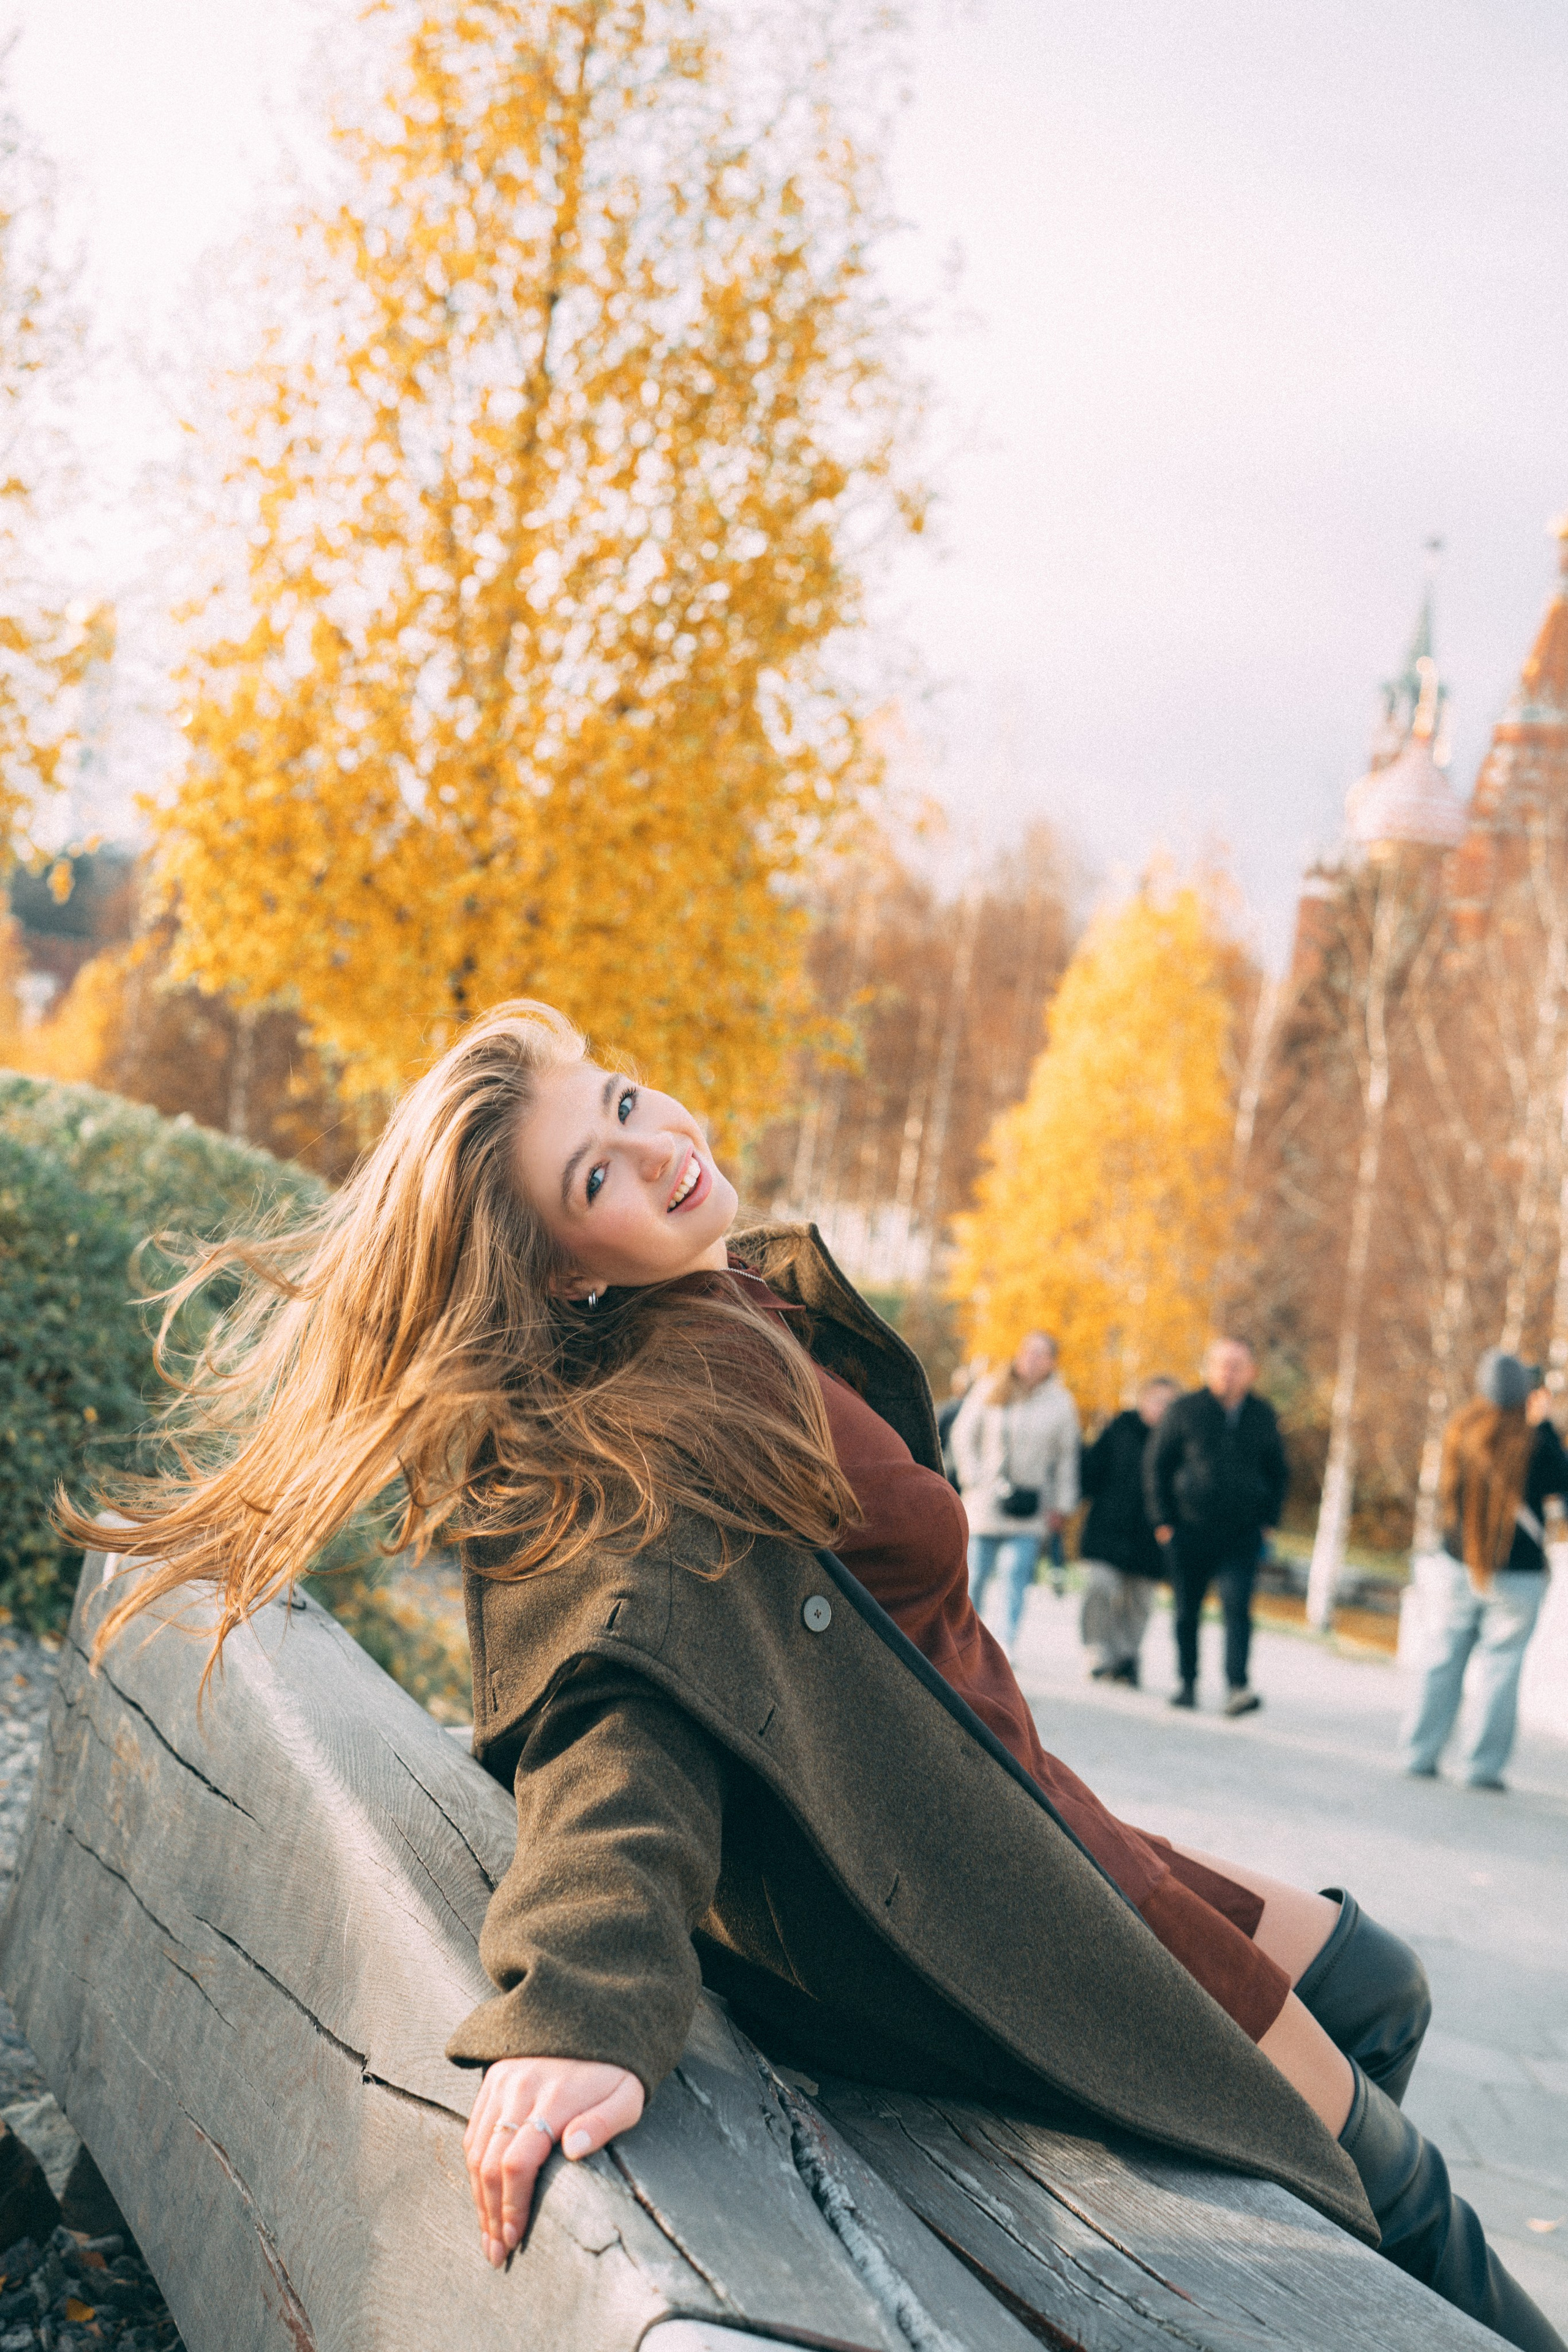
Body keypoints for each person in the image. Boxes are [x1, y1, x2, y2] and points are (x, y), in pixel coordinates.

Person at [68, 1002, 1560, 2352]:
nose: (656, 1149)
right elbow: (618, 1703)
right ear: (552, 1268)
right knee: (1395, 2186)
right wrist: (584, 1999)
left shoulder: (729, 1312)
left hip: (1037, 1809)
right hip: (998, 1895)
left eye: (629, 1101)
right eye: (594, 1176)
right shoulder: (669, 1403)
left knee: (1376, 1981)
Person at [1401, 1350, 1568, 1791]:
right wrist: (1547, 1424)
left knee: (1442, 1659)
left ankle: (1420, 1753)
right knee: (1501, 1669)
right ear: (1526, 1395)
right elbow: (1563, 1487)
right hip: (1518, 1577)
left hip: (1457, 1565)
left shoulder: (1460, 1430)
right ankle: (1482, 1767)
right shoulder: (1535, 1442)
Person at [1147, 1338, 1286, 1718]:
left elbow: (1278, 1472)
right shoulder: (1185, 1410)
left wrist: (1269, 1522)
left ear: (1251, 1372)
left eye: (1237, 1365)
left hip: (1240, 1536)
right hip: (1188, 1530)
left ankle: (1237, 1686)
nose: (1229, 1373)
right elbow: (1158, 1465)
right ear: (1209, 1369)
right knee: (1186, 1610)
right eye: (1222, 1364)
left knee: (1237, 1608)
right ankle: (1187, 1683)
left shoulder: (1262, 1415)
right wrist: (1162, 1522)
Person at [952, 1332, 1079, 1651]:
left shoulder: (1061, 1403)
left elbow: (1067, 1457)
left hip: (1031, 1504)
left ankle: (1003, 1646)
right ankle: (964, 1641)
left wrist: (1062, 1506)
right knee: (975, 1574)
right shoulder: (991, 1387)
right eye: (1028, 1351)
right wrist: (974, 1478)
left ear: (1051, 1362)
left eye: (1040, 1354)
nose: (1032, 1358)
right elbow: (964, 1434)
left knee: (1016, 1576)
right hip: (985, 1501)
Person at [1079, 1376, 1180, 1686]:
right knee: (1100, 1587)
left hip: (1152, 1537)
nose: (1162, 1409)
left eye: (1170, 1403)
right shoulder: (1118, 1429)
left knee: (1140, 1601)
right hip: (1108, 1529)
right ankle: (1098, 1652)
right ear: (1143, 1400)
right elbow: (1090, 1473)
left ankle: (1126, 1657)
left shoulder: (1180, 1443)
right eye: (1157, 1400)